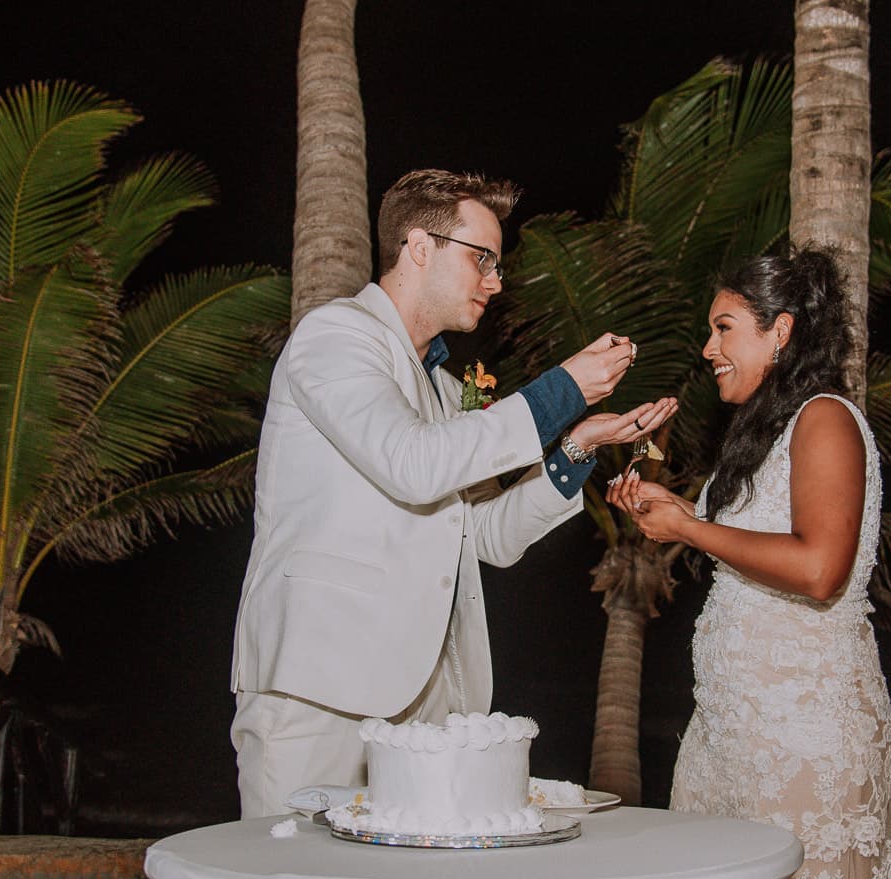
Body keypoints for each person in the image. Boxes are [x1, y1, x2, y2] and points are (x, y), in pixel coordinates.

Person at [230, 167, 677, 821]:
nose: (495, 282)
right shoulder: (335, 337)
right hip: (319, 690)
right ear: (419, 247)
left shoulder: (441, 390)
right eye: (482, 259)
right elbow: (411, 466)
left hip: (429, 704)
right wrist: (561, 391)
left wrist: (577, 444)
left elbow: (485, 538)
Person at [607, 247, 891, 879]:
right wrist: (664, 513)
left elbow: (818, 567)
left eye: (724, 327)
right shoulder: (757, 436)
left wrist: (691, 531)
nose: (709, 348)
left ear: (781, 330)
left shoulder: (827, 419)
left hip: (806, 741)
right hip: (729, 740)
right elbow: (747, 549)